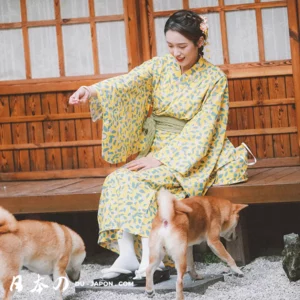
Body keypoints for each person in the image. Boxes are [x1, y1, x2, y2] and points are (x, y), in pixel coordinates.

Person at [69, 10, 253, 285]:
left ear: (200, 42)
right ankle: (128, 255)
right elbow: (127, 83)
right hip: (156, 146)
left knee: (144, 184)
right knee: (118, 179)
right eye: (170, 46)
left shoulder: (214, 79)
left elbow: (204, 129)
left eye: (182, 46)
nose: (175, 53)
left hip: (191, 154)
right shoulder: (158, 67)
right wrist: (92, 90)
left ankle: (151, 261)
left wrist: (163, 159)